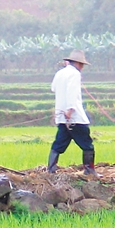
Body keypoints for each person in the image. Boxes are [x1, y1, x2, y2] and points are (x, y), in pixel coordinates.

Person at [47, 49, 99, 177]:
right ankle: (89, 170)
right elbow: (71, 91)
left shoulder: (60, 73)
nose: (82, 67)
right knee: (87, 144)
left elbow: (53, 88)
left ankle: (51, 170)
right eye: (81, 64)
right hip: (74, 117)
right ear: (77, 63)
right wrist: (70, 109)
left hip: (61, 117)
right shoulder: (75, 74)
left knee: (59, 143)